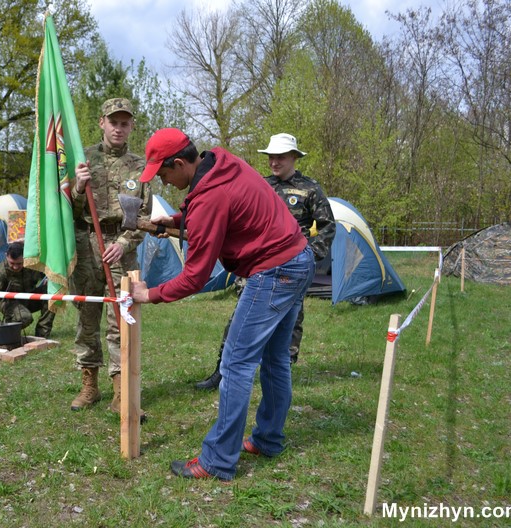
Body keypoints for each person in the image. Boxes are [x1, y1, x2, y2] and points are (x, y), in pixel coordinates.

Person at [131, 128, 314, 481]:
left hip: (274, 270)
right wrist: (175, 221)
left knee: (236, 362)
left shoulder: (209, 197)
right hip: (298, 258)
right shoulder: (220, 163)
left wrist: (148, 294)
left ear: (181, 163)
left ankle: (217, 461)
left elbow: (195, 277)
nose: (165, 183)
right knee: (275, 359)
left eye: (164, 173)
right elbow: (209, 208)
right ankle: (268, 439)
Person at [194, 133, 335, 390]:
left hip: (290, 267)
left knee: (289, 324)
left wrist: (312, 257)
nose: (274, 162)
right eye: (271, 157)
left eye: (280, 157)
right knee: (239, 320)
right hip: (255, 267)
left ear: (294, 157)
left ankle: (281, 376)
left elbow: (327, 226)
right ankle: (221, 373)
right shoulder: (260, 184)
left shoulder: (310, 188)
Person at [69, 97, 149, 413]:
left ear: (131, 126)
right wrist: (77, 188)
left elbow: (144, 215)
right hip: (87, 246)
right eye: (113, 122)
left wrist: (124, 243)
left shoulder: (140, 166)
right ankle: (89, 385)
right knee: (87, 317)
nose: (118, 128)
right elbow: (67, 211)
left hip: (122, 250)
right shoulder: (83, 159)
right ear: (102, 122)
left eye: (124, 122)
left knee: (121, 321)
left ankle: (120, 392)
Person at [0, 242, 55, 338]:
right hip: (9, 303)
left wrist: (50, 278)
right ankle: (8, 330)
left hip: (29, 297)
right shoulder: (1, 271)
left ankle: (42, 334)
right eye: (12, 263)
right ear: (6, 256)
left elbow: (51, 271)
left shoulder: (33, 263)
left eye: (19, 263)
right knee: (24, 317)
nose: (15, 267)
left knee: (53, 294)